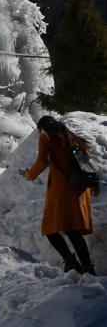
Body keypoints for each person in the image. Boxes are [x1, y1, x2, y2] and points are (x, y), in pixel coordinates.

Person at [21, 115, 98, 275]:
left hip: (62, 190)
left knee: (50, 229)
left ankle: (72, 263)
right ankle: (87, 269)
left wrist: (29, 175)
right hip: (79, 189)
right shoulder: (71, 136)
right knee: (73, 231)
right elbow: (87, 161)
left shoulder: (46, 136)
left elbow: (42, 161)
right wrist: (93, 186)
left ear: (42, 128)